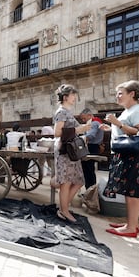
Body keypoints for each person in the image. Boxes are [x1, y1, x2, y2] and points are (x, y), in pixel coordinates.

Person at [99, 80, 139, 238]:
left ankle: (131, 227)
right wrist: (111, 127)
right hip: (124, 155)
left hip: (133, 156)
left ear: (132, 94)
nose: (117, 96)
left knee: (133, 191)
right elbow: (126, 130)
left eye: (120, 93)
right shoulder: (128, 111)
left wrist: (118, 123)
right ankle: (130, 224)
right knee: (129, 190)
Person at [53, 84, 91, 223]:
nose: (75, 97)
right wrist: (80, 129)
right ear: (65, 97)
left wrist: (84, 129)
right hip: (64, 151)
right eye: (73, 95)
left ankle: (63, 208)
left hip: (71, 151)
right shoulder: (62, 112)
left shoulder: (67, 112)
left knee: (78, 181)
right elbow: (57, 132)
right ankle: (64, 210)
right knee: (67, 182)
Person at [79, 108, 104, 189]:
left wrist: (79, 139)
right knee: (90, 170)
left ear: (89, 115)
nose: (83, 120)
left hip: (91, 147)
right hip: (94, 147)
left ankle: (90, 191)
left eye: (84, 118)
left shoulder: (93, 123)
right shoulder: (97, 122)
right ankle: (90, 191)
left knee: (88, 170)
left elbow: (90, 135)